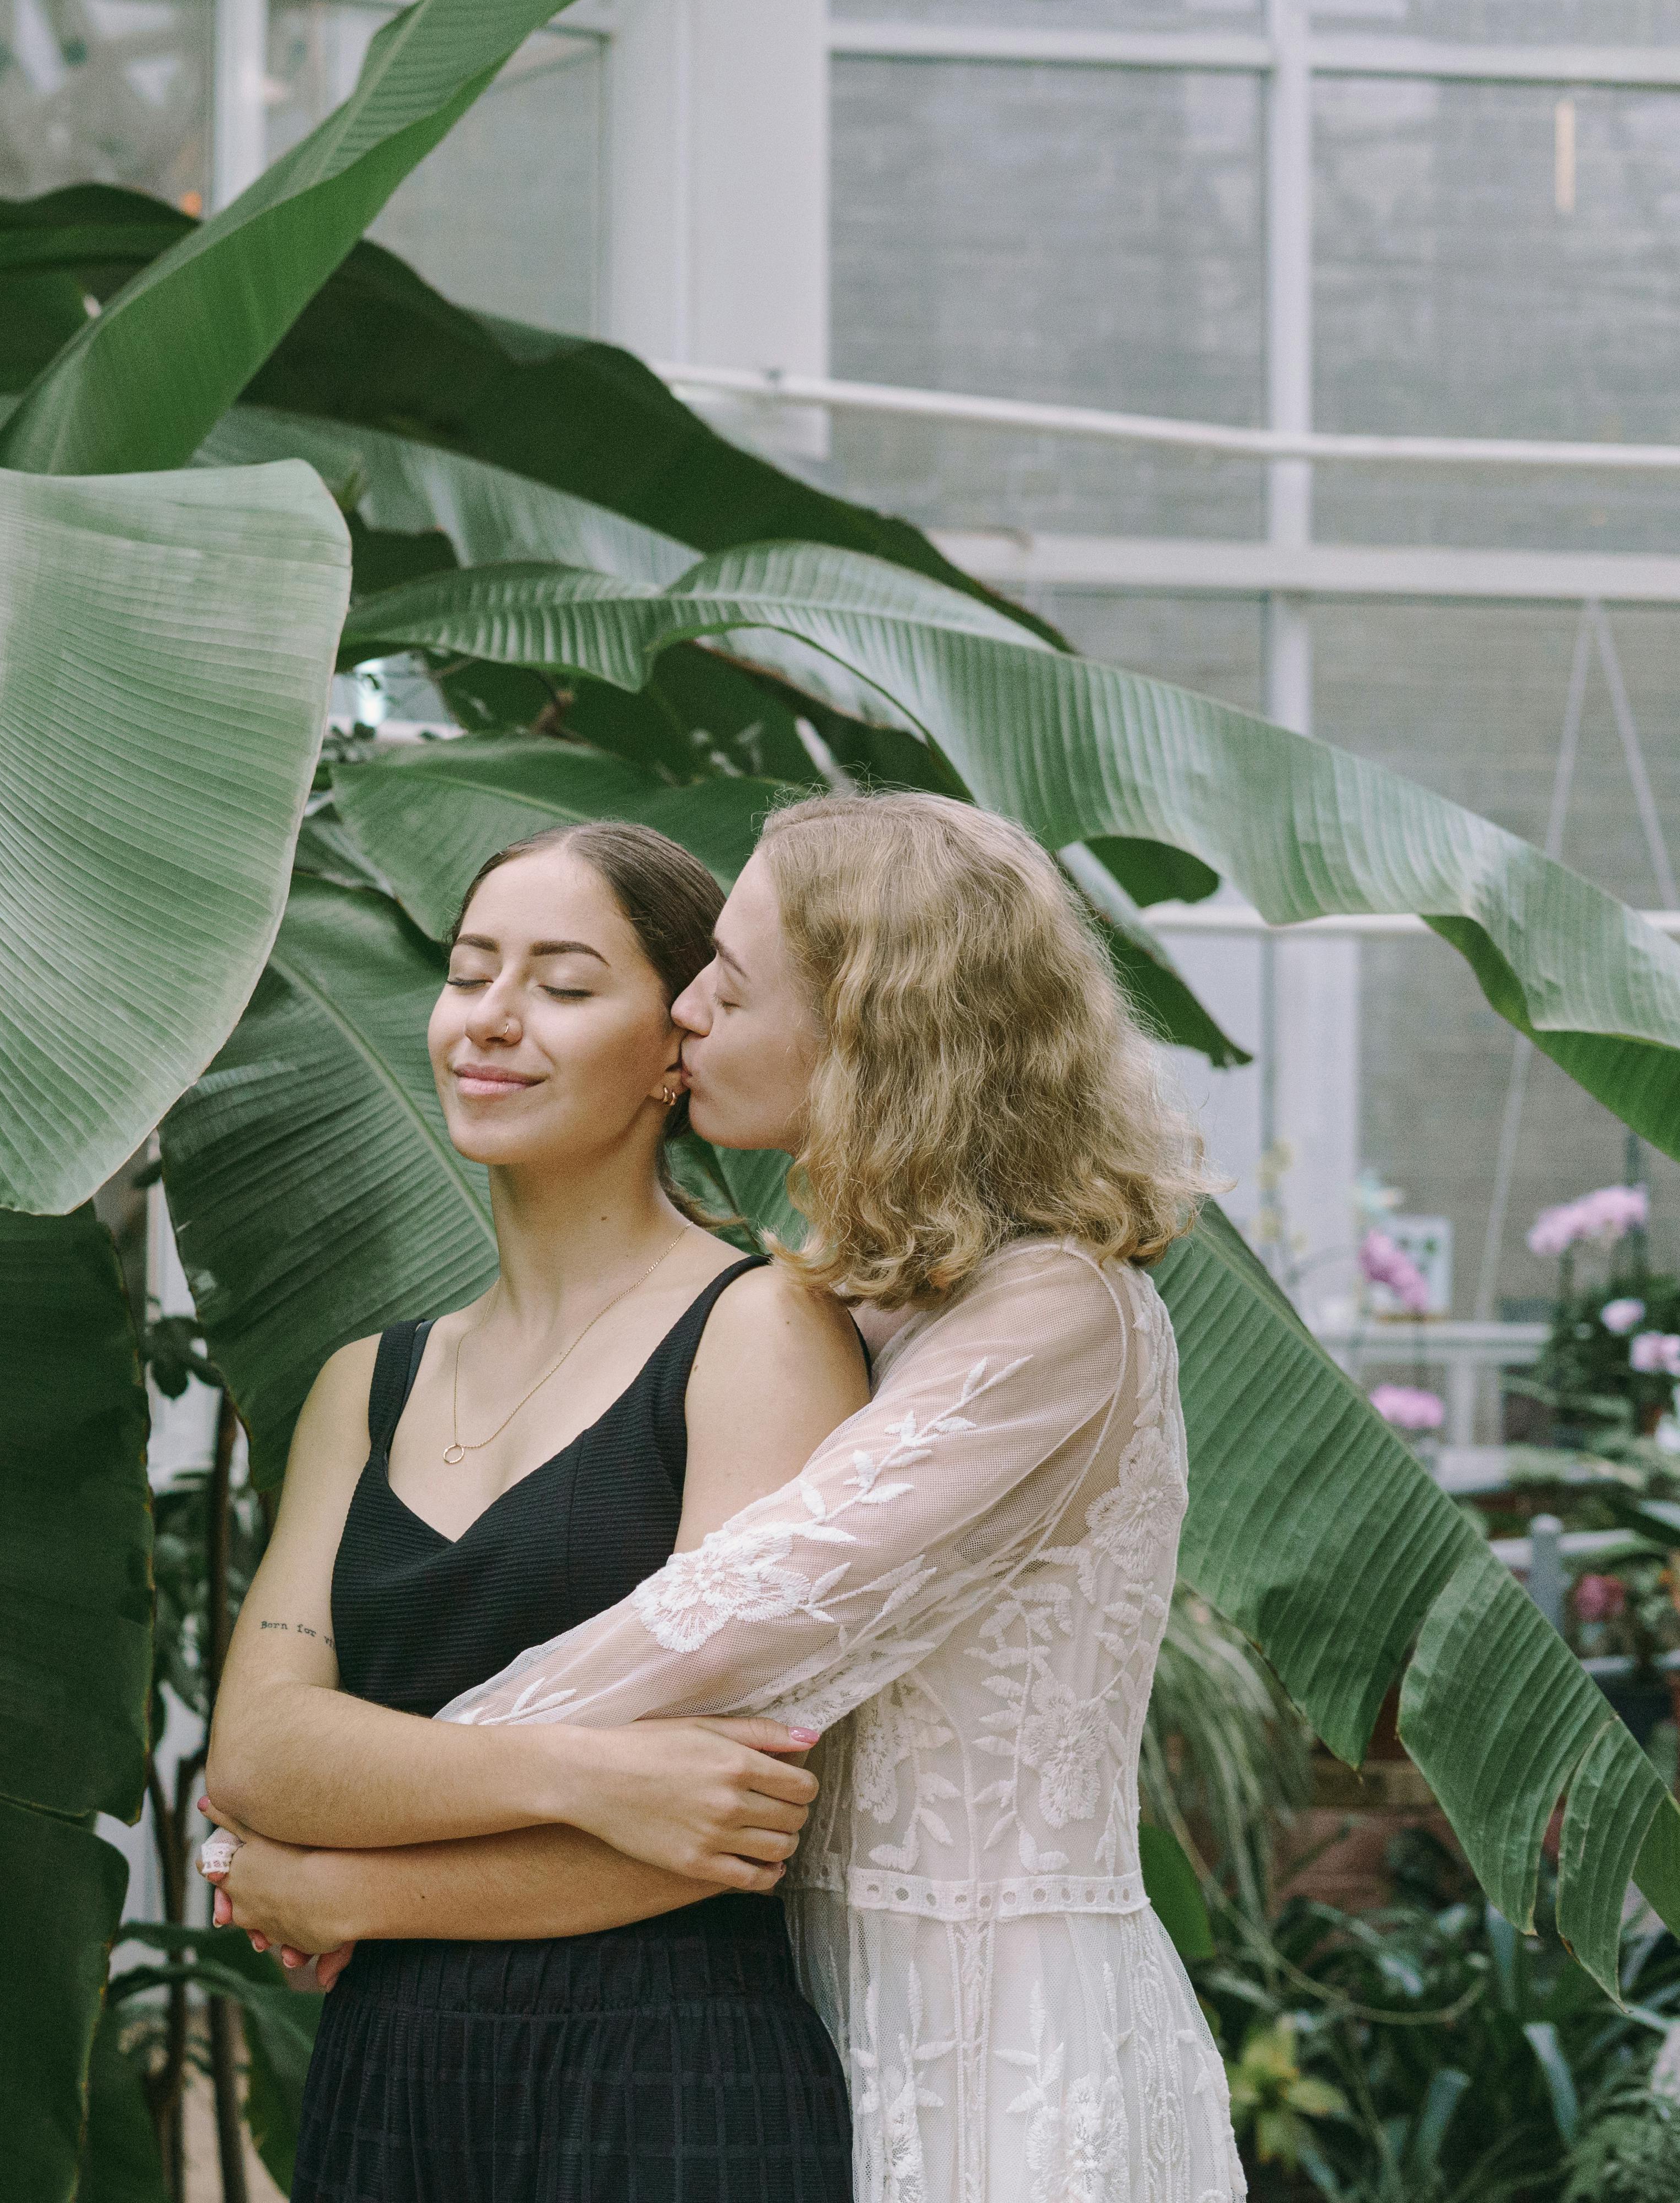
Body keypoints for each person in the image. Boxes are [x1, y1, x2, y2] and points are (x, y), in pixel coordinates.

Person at [207, 790, 1243, 2203]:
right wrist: (394, 1795)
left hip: (985, 2034)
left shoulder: (1040, 1313)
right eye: (467, 969)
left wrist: (338, 1848)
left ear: (872, 1030)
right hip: (830, 2006)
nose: (691, 1015)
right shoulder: (885, 1304)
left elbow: (706, 1649)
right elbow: (639, 1744)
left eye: (723, 985)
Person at [199, 818, 871, 2201]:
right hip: (390, 2075)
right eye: (468, 972)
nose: (490, 1022)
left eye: (563, 987)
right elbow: (259, 1752)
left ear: (674, 1043)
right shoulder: (362, 1383)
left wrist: (359, 1885)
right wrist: (591, 1774)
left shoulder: (761, 1330)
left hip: (668, 2076)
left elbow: (724, 1824)